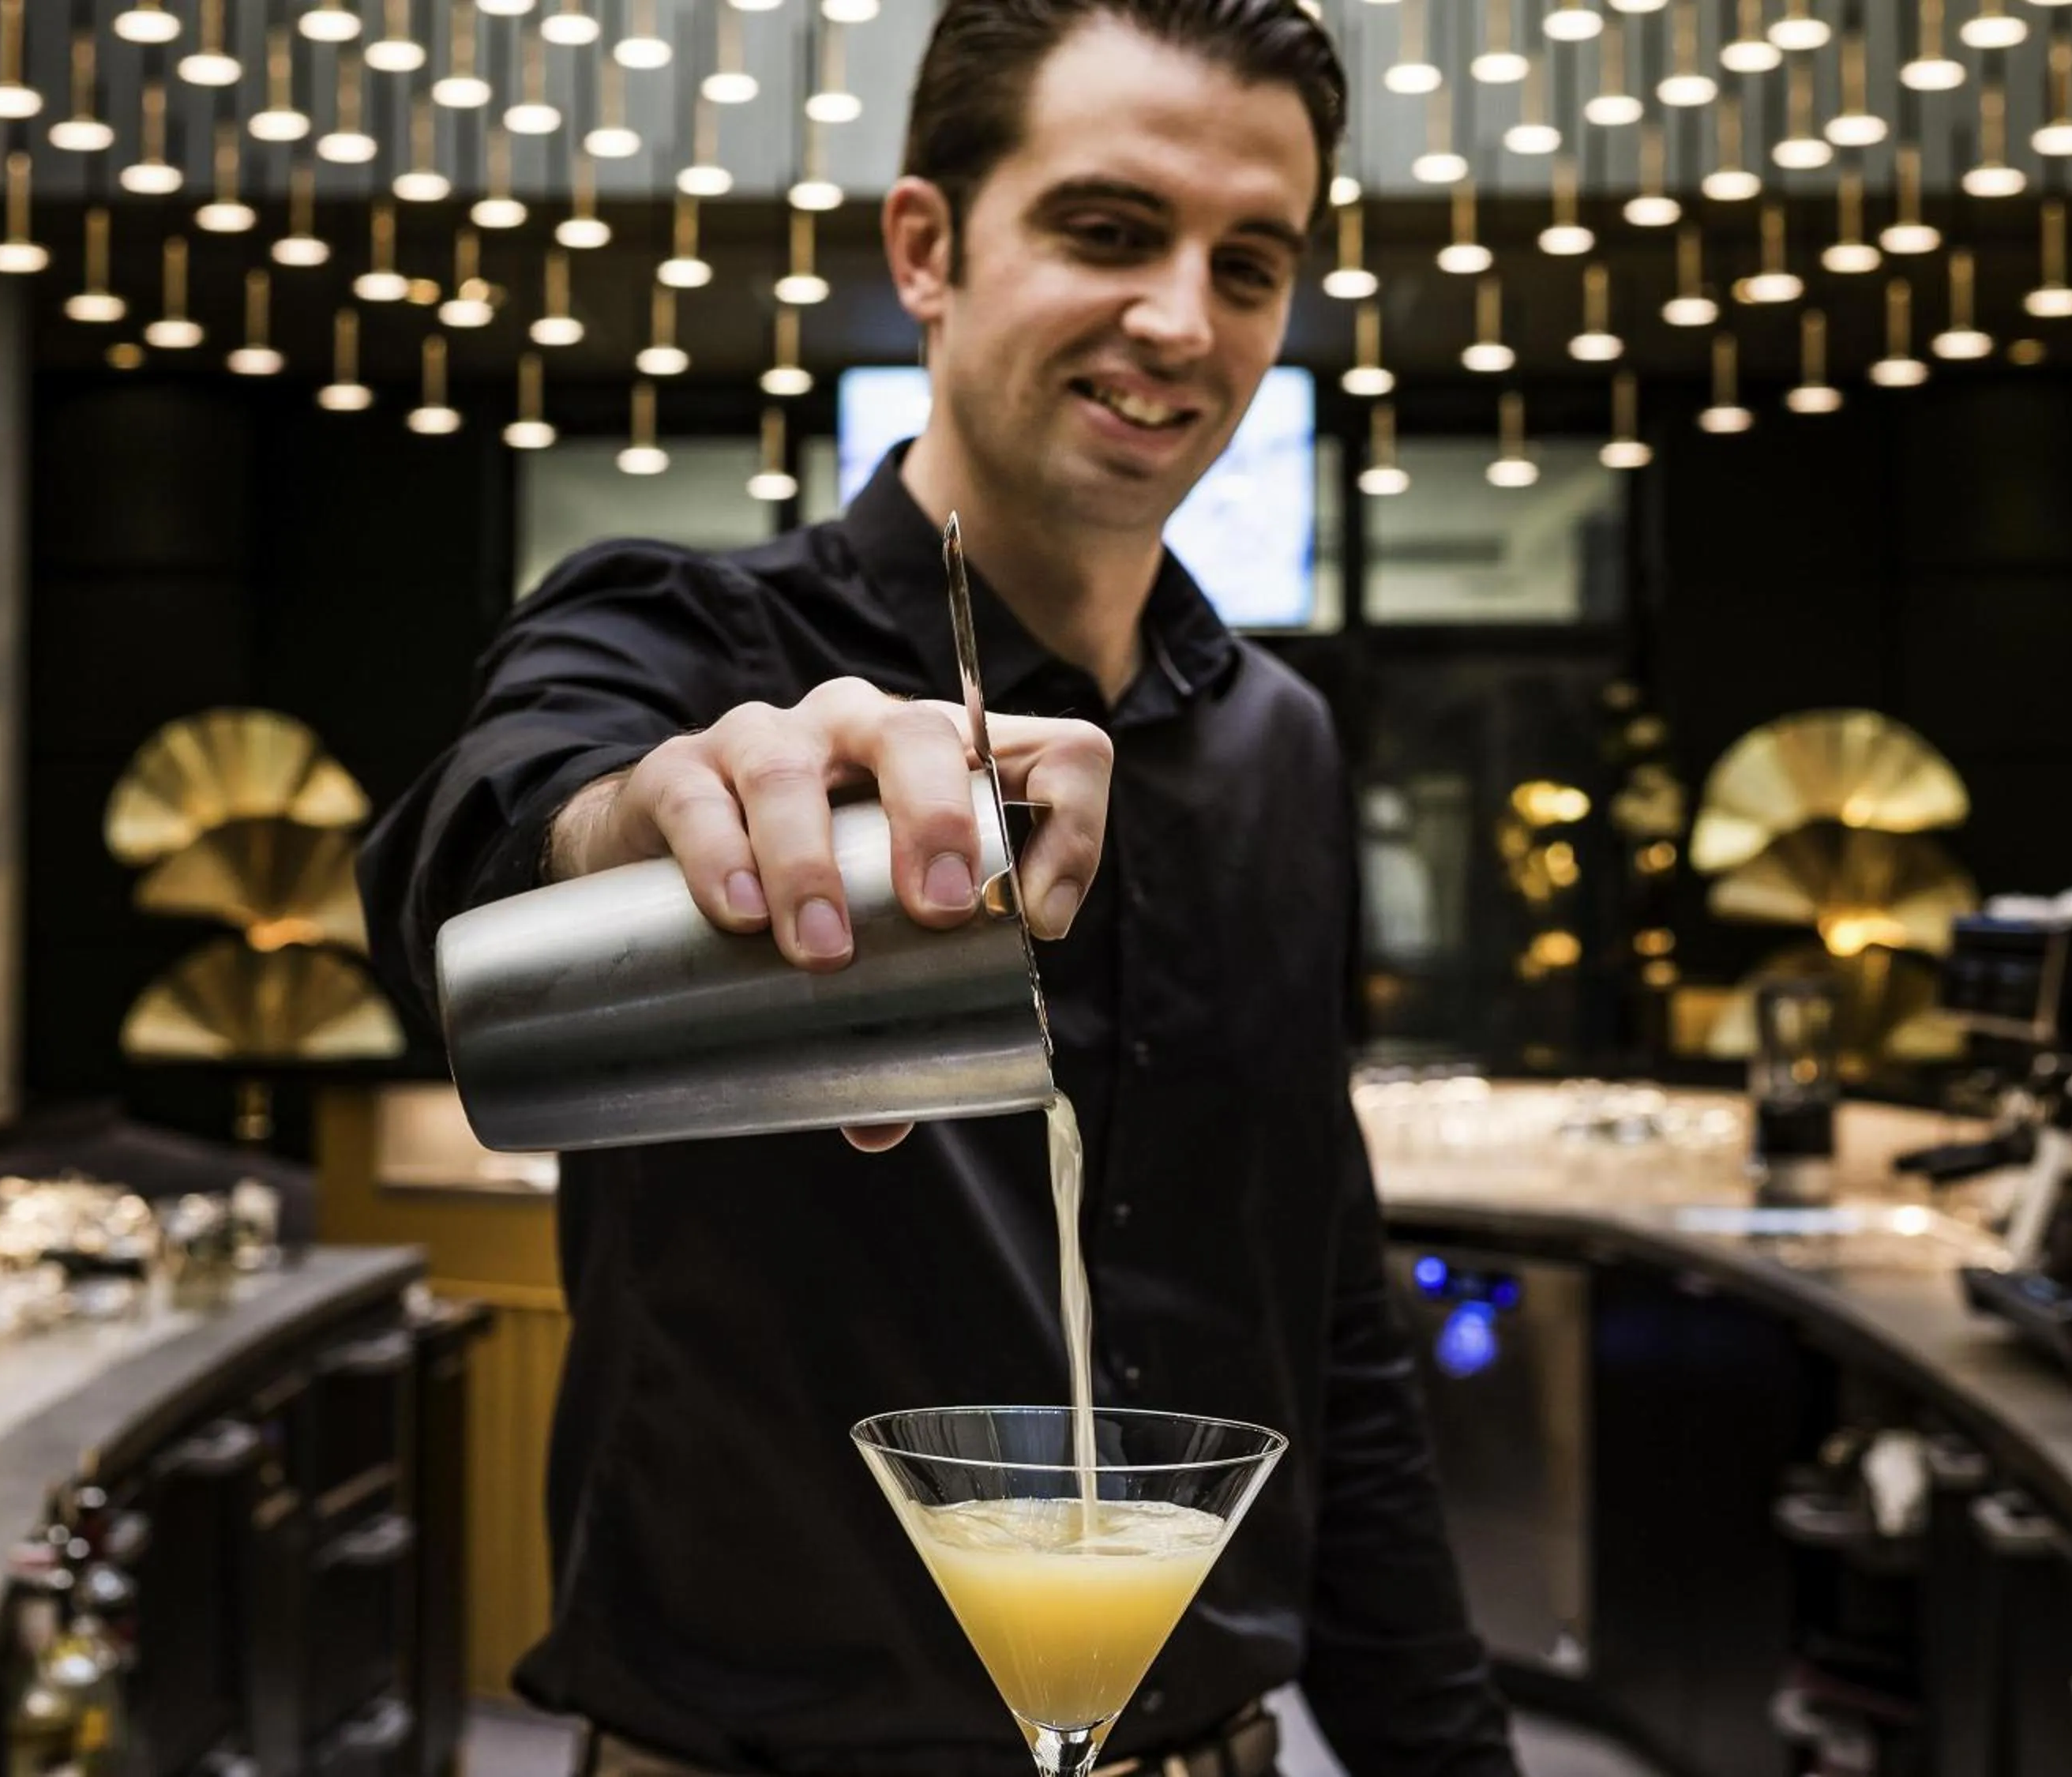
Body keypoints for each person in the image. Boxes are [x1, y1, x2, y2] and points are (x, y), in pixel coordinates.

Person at [358, 0, 1522, 1771]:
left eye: (1251, 263)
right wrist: (636, 829)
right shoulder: (688, 639)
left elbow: (1328, 1309)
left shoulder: (1280, 743)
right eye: (1110, 231)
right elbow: (485, 852)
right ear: (931, 246)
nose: (1180, 321)